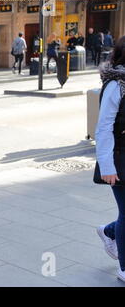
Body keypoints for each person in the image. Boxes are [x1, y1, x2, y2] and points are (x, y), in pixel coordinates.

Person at [95, 35, 125, 283]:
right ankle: (124, 267)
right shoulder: (117, 85)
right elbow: (104, 128)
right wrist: (107, 166)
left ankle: (108, 231)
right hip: (120, 159)